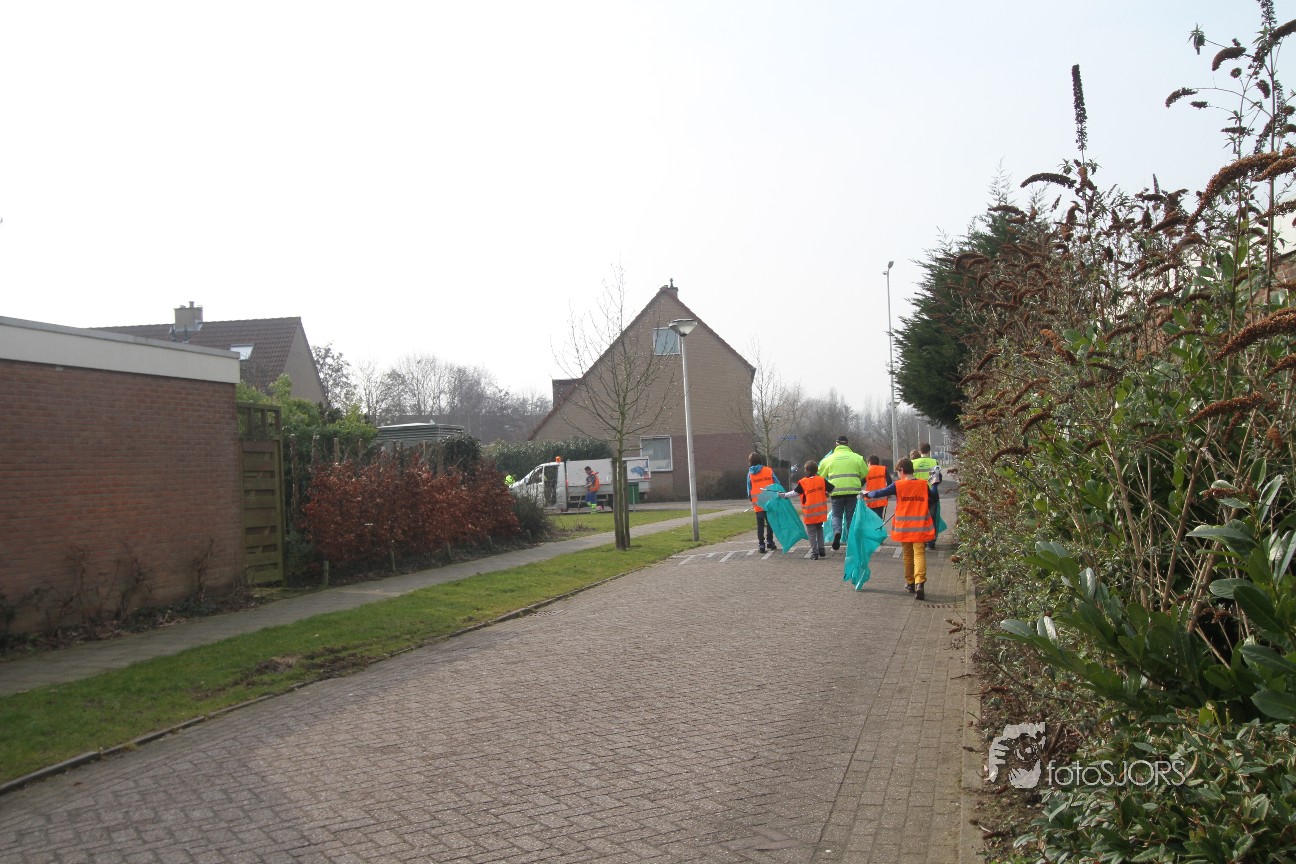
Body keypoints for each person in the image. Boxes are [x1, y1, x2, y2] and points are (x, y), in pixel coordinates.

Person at [864, 457, 937, 600]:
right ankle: (920, 584)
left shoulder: (898, 485)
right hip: (920, 527)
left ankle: (910, 583)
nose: (897, 475)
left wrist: (867, 493)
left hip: (904, 527)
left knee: (908, 555)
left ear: (902, 470)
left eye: (897, 472)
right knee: (919, 554)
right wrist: (934, 484)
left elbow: (879, 493)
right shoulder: (923, 484)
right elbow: (934, 499)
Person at [818, 435, 866, 552]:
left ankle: (837, 532)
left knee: (836, 515)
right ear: (847, 444)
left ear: (836, 444)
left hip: (836, 492)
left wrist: (826, 489)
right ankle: (851, 542)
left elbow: (820, 475)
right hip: (852, 492)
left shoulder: (829, 459)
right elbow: (865, 473)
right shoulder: (858, 458)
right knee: (850, 517)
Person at [780, 459, 832, 559]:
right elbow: (831, 488)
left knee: (811, 533)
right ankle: (821, 549)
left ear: (807, 470)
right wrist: (826, 493)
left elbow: (795, 493)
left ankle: (815, 552)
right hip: (820, 512)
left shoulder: (803, 482)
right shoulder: (821, 480)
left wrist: (784, 495)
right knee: (819, 530)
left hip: (809, 513)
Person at [912, 442, 943, 550]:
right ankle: (931, 542)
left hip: (917, 495)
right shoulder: (934, 462)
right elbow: (938, 478)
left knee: (919, 519)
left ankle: (921, 540)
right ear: (929, 451)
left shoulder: (913, 463)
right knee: (931, 518)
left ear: (919, 451)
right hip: (931, 494)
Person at [746, 452, 779, 553]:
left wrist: (751, 499)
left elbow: (749, 489)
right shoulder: (768, 470)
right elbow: (777, 483)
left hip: (758, 503)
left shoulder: (750, 474)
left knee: (760, 524)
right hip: (769, 501)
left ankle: (761, 544)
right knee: (770, 522)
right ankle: (770, 541)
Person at [863, 455, 889, 523]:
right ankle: (879, 528)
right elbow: (889, 481)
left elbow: (861, 483)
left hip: (870, 498)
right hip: (881, 498)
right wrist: (888, 492)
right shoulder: (883, 469)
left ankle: (873, 529)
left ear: (869, 462)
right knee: (879, 517)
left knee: (871, 518)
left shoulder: (866, 471)